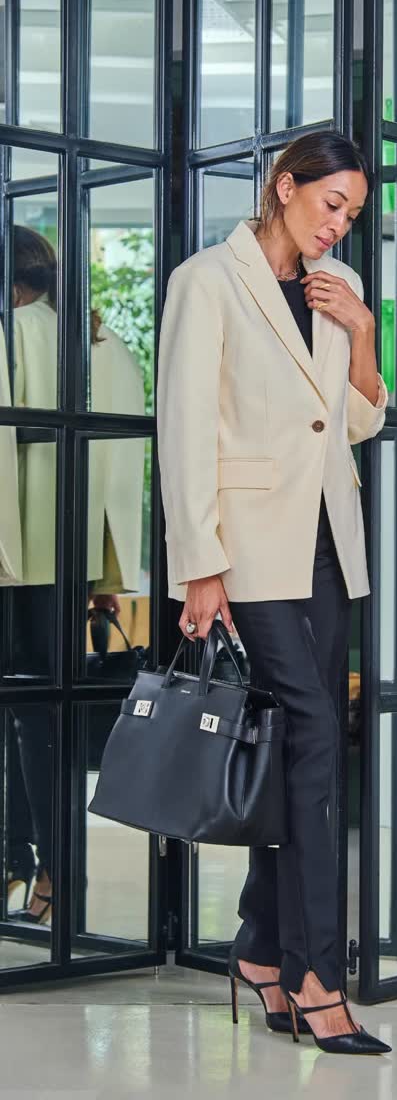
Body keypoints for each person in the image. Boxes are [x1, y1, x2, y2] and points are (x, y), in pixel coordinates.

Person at [157, 132, 391, 1055]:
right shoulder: (205, 282)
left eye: (355, 213)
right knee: (316, 742)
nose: (341, 224)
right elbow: (181, 429)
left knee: (303, 742)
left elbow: (361, 418)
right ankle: (317, 977)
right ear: (284, 188)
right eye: (331, 204)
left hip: (329, 540)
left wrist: (361, 335)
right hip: (249, 550)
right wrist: (200, 565)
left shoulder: (345, 293)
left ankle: (261, 948)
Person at [1, 226, 144, 925]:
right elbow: (120, 465)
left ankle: (40, 867)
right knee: (40, 719)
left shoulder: (14, 332)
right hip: (74, 557)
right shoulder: (103, 341)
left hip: (16, 552)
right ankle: (40, 866)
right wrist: (105, 568)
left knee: (25, 717)